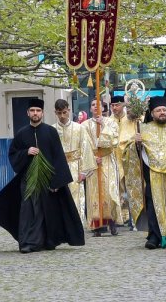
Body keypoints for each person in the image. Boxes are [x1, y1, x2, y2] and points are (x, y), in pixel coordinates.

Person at [0, 98, 86, 253]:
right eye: (32, 110)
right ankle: (27, 242)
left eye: (38, 111)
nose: (35, 113)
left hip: (48, 180)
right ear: (28, 113)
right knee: (29, 210)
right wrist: (26, 152)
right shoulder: (22, 133)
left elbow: (58, 156)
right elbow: (13, 154)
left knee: (47, 211)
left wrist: (57, 182)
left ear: (42, 113)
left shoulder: (50, 132)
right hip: (28, 179)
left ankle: (46, 241)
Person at [134, 96, 166, 249]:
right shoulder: (143, 129)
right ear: (152, 113)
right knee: (153, 204)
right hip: (153, 173)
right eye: (158, 110)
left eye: (164, 110)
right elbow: (135, 155)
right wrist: (136, 144)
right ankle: (155, 236)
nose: (162, 113)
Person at [82, 99, 123, 236]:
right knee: (95, 193)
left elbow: (114, 140)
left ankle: (112, 223)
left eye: (98, 105)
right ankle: (97, 226)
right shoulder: (85, 125)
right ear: (90, 108)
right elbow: (84, 145)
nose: (95, 107)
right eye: (93, 105)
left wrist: (103, 125)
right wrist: (93, 158)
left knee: (109, 191)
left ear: (103, 107)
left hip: (107, 160)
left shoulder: (110, 122)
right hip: (93, 161)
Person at [53, 98, 94, 220]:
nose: (62, 116)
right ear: (55, 112)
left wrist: (84, 171)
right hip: (58, 167)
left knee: (76, 197)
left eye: (64, 112)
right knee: (60, 198)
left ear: (69, 110)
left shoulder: (79, 128)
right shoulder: (52, 129)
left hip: (76, 166)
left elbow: (86, 148)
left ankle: (77, 224)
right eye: (59, 113)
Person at [110, 92, 145, 231]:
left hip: (131, 158)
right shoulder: (109, 120)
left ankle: (135, 217)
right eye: (112, 105)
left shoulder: (132, 118)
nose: (114, 108)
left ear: (123, 105)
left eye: (117, 105)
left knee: (133, 187)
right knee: (118, 188)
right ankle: (121, 217)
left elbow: (141, 129)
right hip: (115, 158)